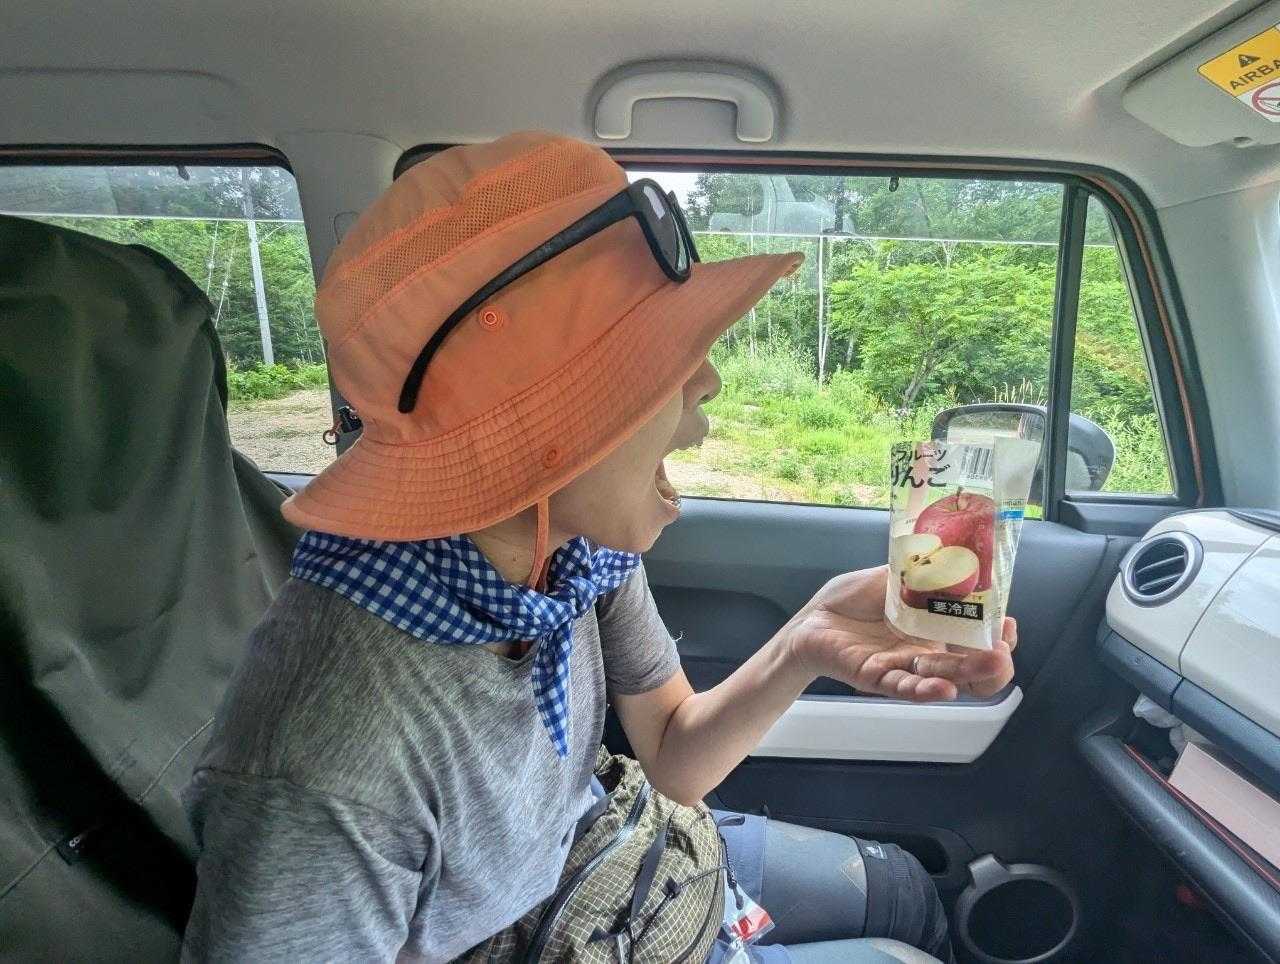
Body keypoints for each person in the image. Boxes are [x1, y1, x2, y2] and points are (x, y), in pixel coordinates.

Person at [181, 131, 1016, 963]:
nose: (709, 381)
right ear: (539, 437)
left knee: (908, 891)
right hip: (548, 933)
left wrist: (805, 643)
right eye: (655, 363)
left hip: (606, 854)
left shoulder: (570, 554)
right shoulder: (327, 761)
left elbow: (674, 755)